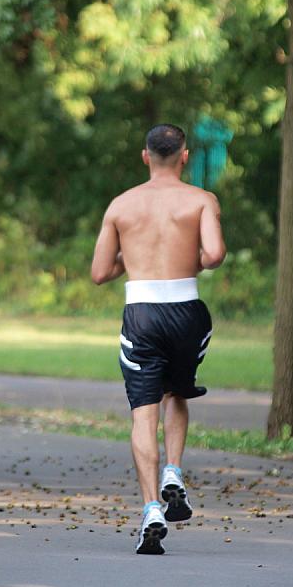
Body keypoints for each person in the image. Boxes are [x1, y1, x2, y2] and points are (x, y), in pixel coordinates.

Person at [91, 123, 226, 555]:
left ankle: (151, 507)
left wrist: (131, 258)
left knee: (143, 413)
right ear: (184, 156)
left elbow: (99, 273)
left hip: (142, 313)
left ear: (145, 156)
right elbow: (215, 255)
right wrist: (193, 257)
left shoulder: (120, 206)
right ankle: (174, 471)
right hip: (187, 311)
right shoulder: (202, 200)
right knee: (178, 393)